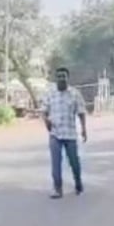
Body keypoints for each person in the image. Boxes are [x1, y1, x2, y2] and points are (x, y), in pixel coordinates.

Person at [40, 67, 88, 199]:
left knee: (74, 161)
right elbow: (43, 111)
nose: (61, 79)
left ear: (67, 78)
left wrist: (84, 129)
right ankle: (57, 188)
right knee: (56, 163)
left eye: (64, 76)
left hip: (70, 133)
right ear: (56, 78)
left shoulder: (74, 94)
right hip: (55, 133)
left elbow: (81, 112)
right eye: (59, 76)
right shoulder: (50, 94)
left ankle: (78, 182)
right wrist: (46, 121)